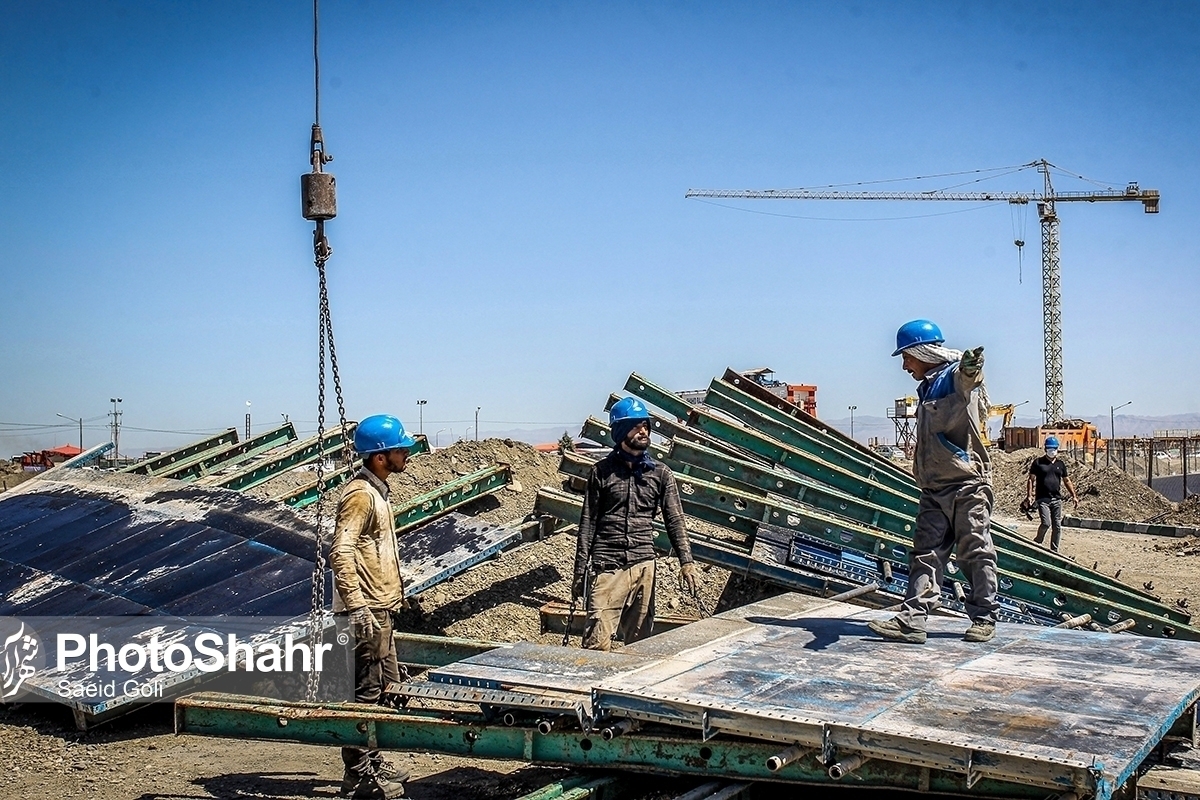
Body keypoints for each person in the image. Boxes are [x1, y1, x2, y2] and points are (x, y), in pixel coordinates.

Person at [868, 320, 1000, 645]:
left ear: (922, 352)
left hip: (967, 485)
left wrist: (972, 366)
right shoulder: (927, 386)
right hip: (933, 488)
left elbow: (969, 377)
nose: (904, 365)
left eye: (907, 357)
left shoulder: (953, 378)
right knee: (925, 553)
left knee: (975, 551)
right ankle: (912, 620)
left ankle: (984, 618)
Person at [329, 414, 415, 799]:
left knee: (389, 688)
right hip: (366, 613)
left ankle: (376, 761)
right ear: (381, 457)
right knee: (365, 692)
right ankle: (358, 776)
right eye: (401, 449)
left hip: (381, 608)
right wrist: (358, 607)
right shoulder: (361, 496)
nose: (407, 454)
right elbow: (341, 552)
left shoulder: (378, 491)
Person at [572, 397, 699, 650]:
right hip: (607, 568)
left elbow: (675, 519)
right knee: (596, 644)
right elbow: (588, 523)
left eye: (646, 426)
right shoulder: (601, 472)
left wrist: (687, 562)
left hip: (644, 566)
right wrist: (579, 573)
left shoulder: (660, 473)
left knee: (640, 647)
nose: (643, 431)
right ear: (620, 432)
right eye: (635, 426)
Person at [1027, 436, 1079, 553]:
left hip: (1056, 499)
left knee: (1057, 526)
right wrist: (1029, 496)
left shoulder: (1060, 464)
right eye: (1050, 448)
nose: (1052, 451)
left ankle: (1054, 550)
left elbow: (1066, 480)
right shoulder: (1038, 463)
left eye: (1054, 448)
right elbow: (1031, 479)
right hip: (1042, 499)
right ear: (1045, 449)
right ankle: (1037, 542)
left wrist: (1074, 496)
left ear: (1057, 449)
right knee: (1046, 523)